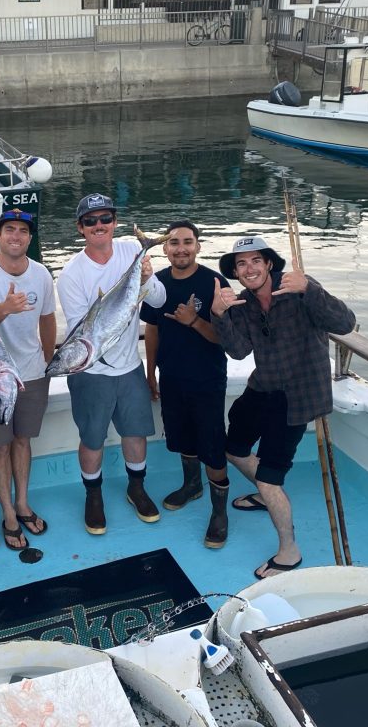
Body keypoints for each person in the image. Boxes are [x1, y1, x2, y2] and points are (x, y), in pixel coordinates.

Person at [211, 236, 356, 579]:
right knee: (232, 448)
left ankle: (289, 550)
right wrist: (219, 315)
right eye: (241, 264)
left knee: (270, 475)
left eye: (255, 261)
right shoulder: (244, 303)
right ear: (235, 271)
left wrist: (310, 289)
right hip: (264, 387)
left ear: (269, 264)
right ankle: (266, 493)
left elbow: (345, 324)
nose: (249, 269)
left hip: (299, 395)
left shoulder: (299, 288)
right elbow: (239, 351)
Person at [56, 194, 166, 535]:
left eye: (105, 218)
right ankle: (94, 496)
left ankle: (136, 487)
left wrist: (146, 277)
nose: (98, 226)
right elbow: (83, 331)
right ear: (80, 228)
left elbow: (159, 300)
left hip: (130, 366)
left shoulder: (132, 254)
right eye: (90, 221)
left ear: (114, 222)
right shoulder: (71, 274)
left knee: (136, 432)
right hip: (91, 372)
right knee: (92, 438)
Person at [0, 209, 57, 550]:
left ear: (30, 238)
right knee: (0, 446)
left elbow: (47, 320)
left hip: (33, 373)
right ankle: (7, 512)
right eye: (9, 229)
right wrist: (3, 309)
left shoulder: (42, 274)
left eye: (22, 230)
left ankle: (22, 504)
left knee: (22, 441)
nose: (16, 236)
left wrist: (48, 362)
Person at [141, 219, 232, 548]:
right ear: (164, 248)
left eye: (187, 242)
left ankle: (219, 513)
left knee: (211, 444)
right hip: (172, 376)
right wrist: (150, 372)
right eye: (174, 242)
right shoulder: (157, 283)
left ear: (198, 246)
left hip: (207, 379)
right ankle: (192, 485)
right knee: (181, 437)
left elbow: (225, 339)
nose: (181, 248)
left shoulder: (214, 283)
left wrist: (194, 320)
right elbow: (152, 330)